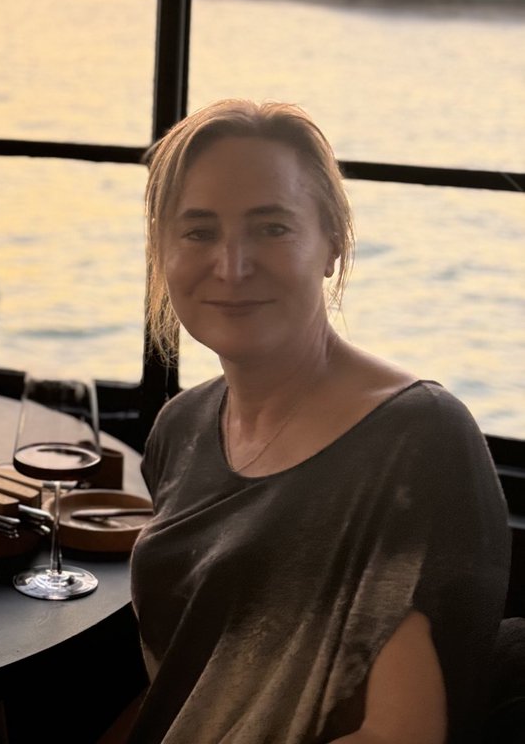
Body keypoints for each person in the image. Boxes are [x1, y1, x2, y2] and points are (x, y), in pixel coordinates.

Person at [120, 98, 510, 744]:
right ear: (162, 251)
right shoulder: (180, 429)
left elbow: (402, 735)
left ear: (332, 242)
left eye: (271, 228)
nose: (232, 265)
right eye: (198, 232)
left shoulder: (419, 440)